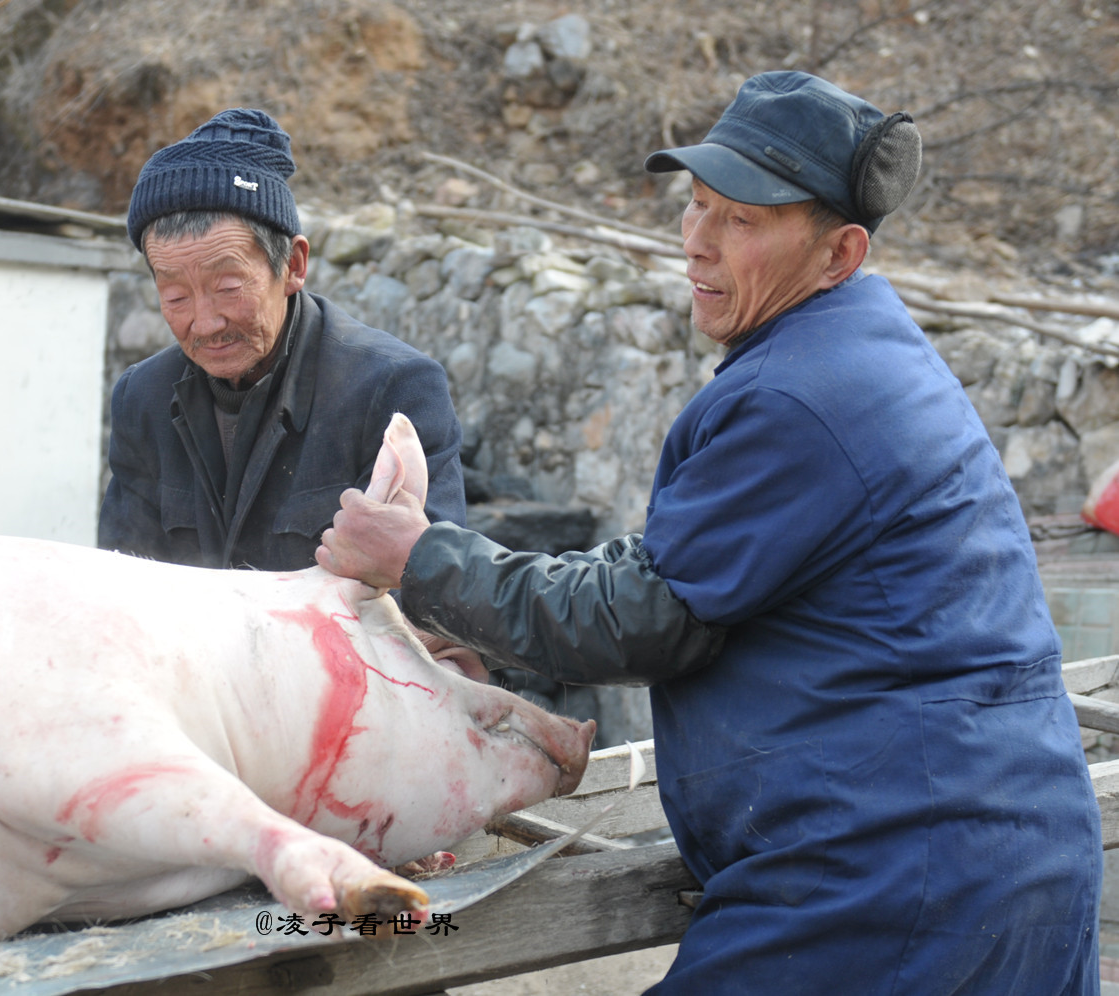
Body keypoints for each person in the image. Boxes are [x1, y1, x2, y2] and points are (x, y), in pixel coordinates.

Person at [316, 71, 1101, 994]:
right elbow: (679, 568)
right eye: (696, 205)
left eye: (744, 220)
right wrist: (472, 583)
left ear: (839, 252)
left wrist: (420, 559)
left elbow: (647, 615)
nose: (697, 242)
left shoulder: (801, 396)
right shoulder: (853, 356)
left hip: (894, 870)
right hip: (980, 844)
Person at [98, 107, 465, 573]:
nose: (205, 322)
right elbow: (121, 576)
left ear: (292, 266)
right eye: (175, 296)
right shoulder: (142, 399)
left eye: (229, 288)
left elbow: (431, 595)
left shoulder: (392, 391)